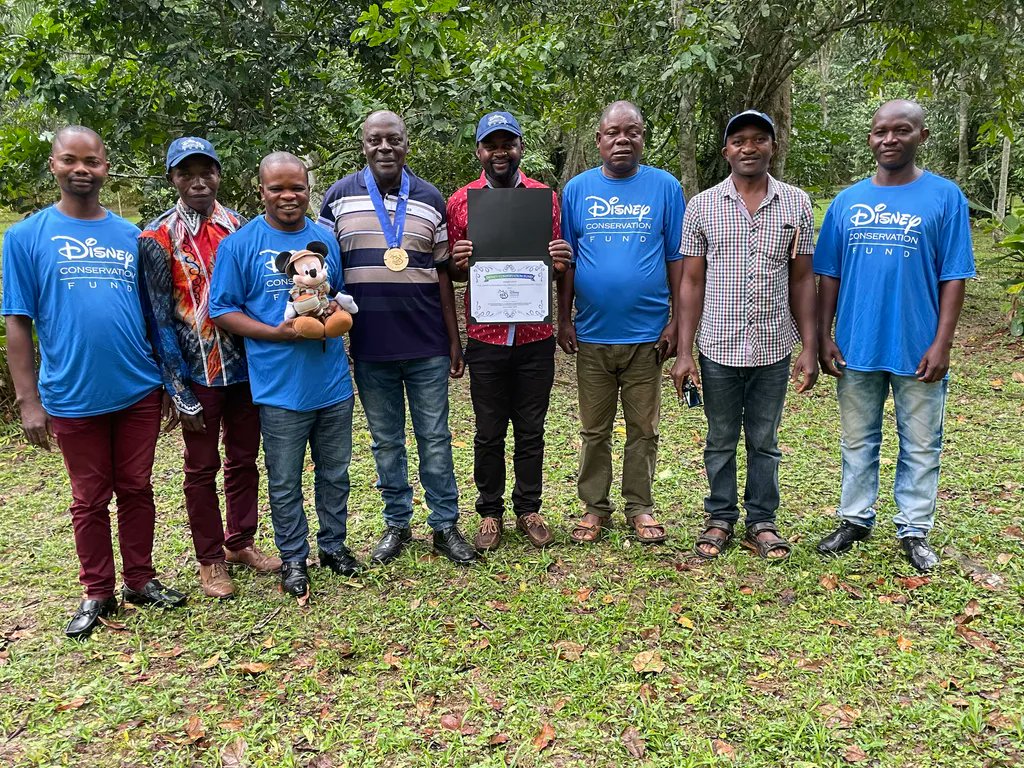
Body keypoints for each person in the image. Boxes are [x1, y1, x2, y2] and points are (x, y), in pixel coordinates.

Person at [2, 126, 185, 639]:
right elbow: (17, 321)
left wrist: (169, 383)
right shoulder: (25, 237)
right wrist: (27, 399)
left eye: (93, 160)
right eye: (70, 160)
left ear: (107, 166)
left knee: (136, 488)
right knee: (88, 497)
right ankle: (97, 590)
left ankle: (141, 580)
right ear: (54, 165)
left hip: (137, 388)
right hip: (71, 393)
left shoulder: (133, 236)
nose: (82, 168)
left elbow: (156, 316)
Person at [814, 100, 975, 572]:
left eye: (901, 130)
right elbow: (828, 276)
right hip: (857, 344)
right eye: (880, 131)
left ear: (921, 136)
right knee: (857, 440)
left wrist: (942, 342)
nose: (889, 139)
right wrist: (824, 336)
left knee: (922, 443)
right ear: (870, 138)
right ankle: (855, 519)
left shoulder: (945, 197)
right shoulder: (847, 202)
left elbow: (954, 276)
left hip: (918, 345)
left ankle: (914, 529)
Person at [317, 110, 476, 566]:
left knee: (435, 436)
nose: (384, 147)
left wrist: (453, 341)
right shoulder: (338, 197)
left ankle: (445, 525)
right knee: (386, 441)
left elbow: (444, 274)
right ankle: (397, 524)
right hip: (370, 345)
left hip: (426, 342)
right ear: (363, 145)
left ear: (408, 145)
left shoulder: (428, 198)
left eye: (394, 140)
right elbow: (324, 272)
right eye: (375, 140)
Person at [209, 152, 360, 598]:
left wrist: (332, 313)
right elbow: (222, 309)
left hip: (332, 381)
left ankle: (333, 547)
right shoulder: (240, 244)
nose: (288, 196)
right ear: (262, 191)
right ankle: (294, 558)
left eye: (296, 186)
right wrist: (275, 333)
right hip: (278, 388)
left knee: (335, 473)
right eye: (277, 188)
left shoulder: (324, 238)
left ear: (308, 189)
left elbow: (336, 293)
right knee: (285, 478)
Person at [671, 110, 818, 562]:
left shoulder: (796, 204)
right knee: (719, 438)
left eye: (759, 139)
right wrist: (683, 352)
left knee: (764, 440)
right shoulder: (702, 206)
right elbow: (691, 282)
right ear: (726, 151)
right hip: (717, 346)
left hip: (773, 345)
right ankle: (719, 518)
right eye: (739, 141)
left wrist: (810, 345)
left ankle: (762, 522)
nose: (749, 148)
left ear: (773, 147)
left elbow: (802, 279)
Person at [139, 137, 280, 600]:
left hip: (246, 367)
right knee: (201, 468)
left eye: (207, 171)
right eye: (186, 173)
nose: (198, 181)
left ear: (219, 175)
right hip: (198, 373)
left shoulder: (241, 228)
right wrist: (177, 388)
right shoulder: (157, 237)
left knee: (244, 460)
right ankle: (210, 558)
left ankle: (240, 542)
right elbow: (158, 317)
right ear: (172, 179)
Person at [558, 101, 685, 544]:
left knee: (643, 429)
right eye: (613, 132)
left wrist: (676, 324)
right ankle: (594, 508)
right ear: (599, 139)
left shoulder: (665, 188)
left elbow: (677, 260)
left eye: (632, 131)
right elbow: (567, 261)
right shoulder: (576, 190)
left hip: (648, 337)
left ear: (643, 137)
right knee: (594, 430)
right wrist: (564, 319)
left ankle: (640, 507)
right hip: (591, 335)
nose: (622, 140)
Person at [446, 111, 573, 551]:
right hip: (487, 337)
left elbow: (558, 265)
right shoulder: (461, 202)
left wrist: (559, 259)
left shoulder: (544, 198)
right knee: (488, 429)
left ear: (520, 147)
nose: (500, 151)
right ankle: (489, 512)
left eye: (508, 143)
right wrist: (457, 262)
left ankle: (528, 507)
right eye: (491, 144)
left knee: (532, 427)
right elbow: (455, 273)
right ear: (480, 150)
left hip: (535, 337)